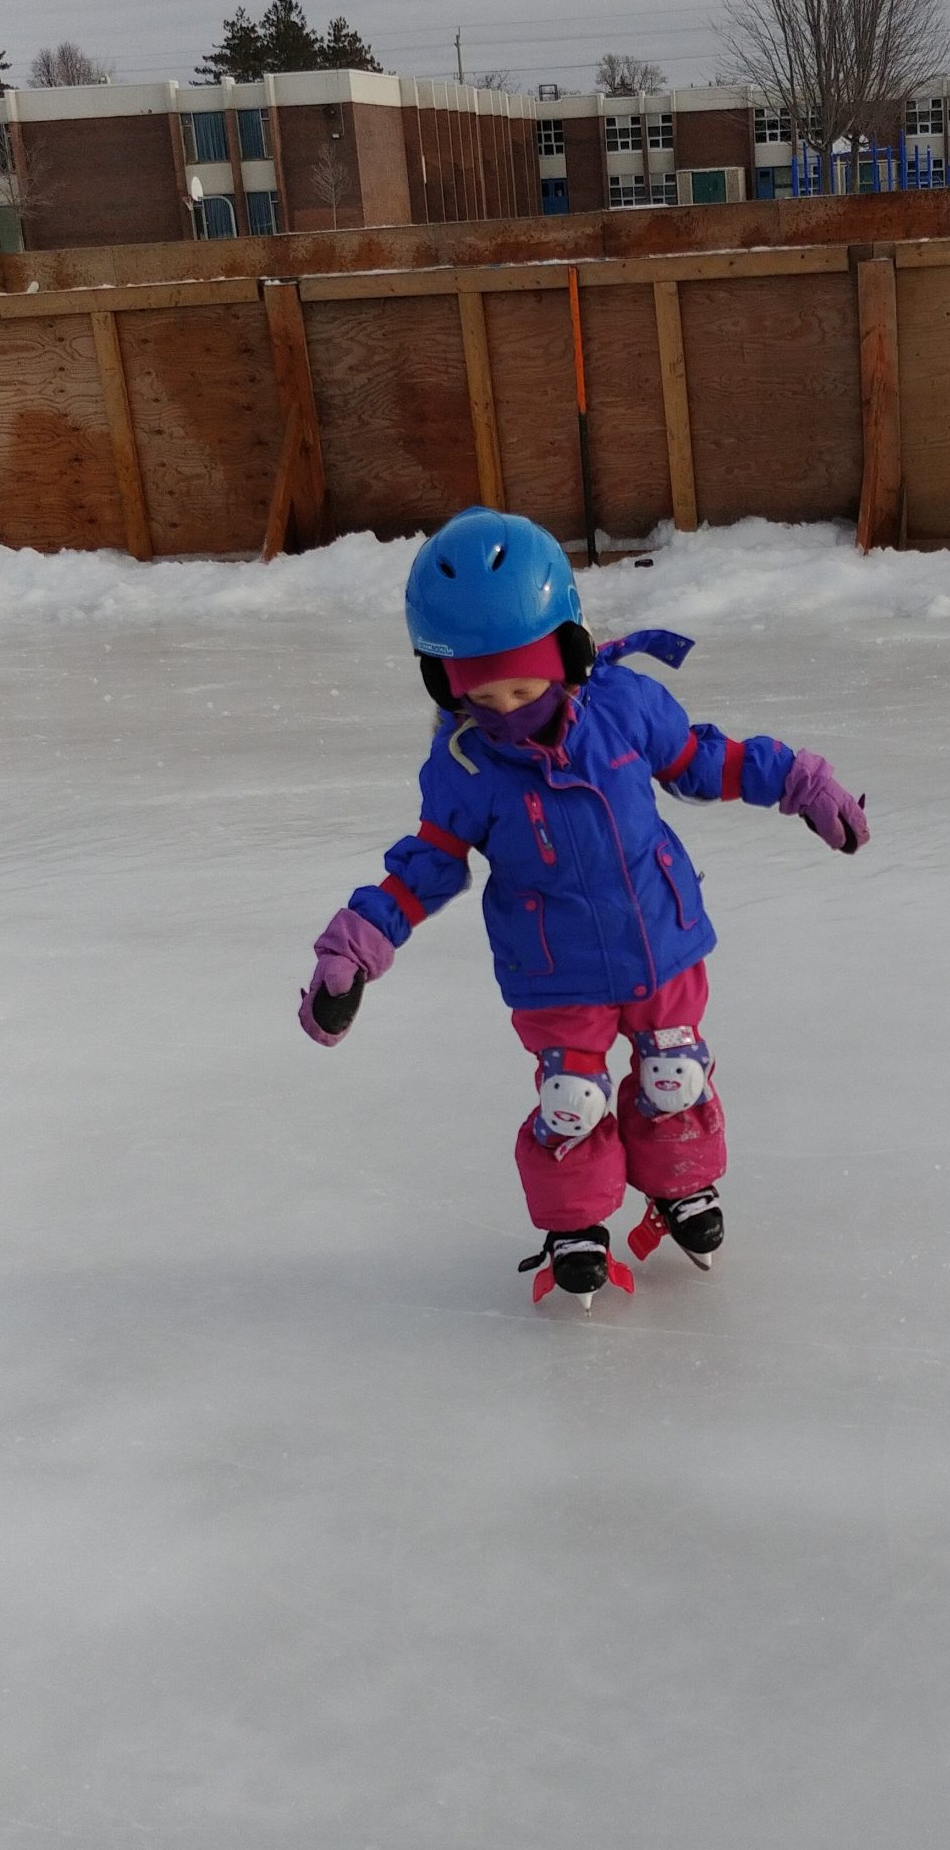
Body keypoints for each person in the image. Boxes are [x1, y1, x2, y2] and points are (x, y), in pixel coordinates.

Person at [299, 507, 868, 1305]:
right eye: (481, 695)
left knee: (675, 1074)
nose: (505, 710)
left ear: (566, 654)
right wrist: (353, 947)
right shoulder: (465, 767)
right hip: (554, 970)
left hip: (661, 941)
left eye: (523, 686)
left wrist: (800, 783)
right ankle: (575, 1224)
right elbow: (425, 866)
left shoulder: (625, 709)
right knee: (572, 1100)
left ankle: (680, 1184)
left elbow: (705, 760)